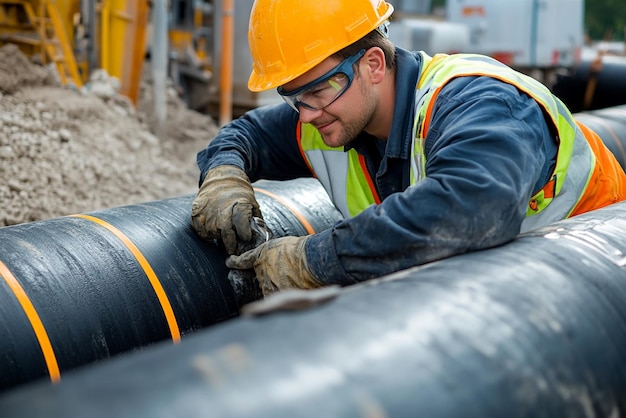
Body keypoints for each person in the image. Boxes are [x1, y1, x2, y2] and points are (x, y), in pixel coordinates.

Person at [191, 0, 626, 296]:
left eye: (318, 90)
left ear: (373, 64)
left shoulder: (477, 102)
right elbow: (244, 134)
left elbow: (472, 210)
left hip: (597, 284)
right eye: (293, 97)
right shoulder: (328, 110)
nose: (304, 114)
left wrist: (313, 261)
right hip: (497, 297)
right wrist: (223, 175)